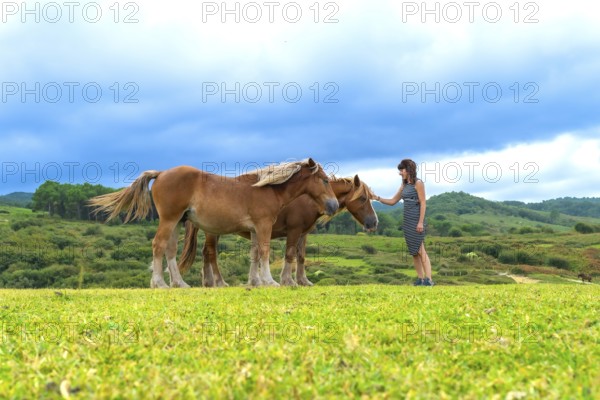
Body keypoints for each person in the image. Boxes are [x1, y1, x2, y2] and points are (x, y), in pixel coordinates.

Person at [371, 159, 434, 286]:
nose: (400, 173)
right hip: (407, 220)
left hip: (417, 219)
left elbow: (423, 203)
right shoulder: (404, 186)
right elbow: (393, 201)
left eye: (402, 170)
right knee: (414, 252)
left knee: (421, 250)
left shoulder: (418, 183)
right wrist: (377, 197)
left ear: (409, 169)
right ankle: (420, 279)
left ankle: (429, 280)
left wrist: (420, 222)